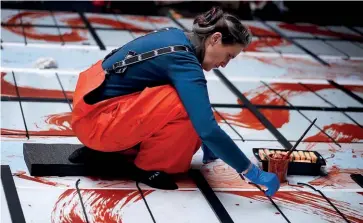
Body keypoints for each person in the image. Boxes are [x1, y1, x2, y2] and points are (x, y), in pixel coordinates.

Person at [69, 7, 280, 196]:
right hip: (98, 127)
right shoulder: (184, 63)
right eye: (228, 56)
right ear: (215, 39)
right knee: (185, 107)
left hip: (90, 114)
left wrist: (207, 141)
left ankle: (108, 151)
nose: (224, 64)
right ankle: (148, 167)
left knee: (190, 102)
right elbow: (206, 128)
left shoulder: (176, 36)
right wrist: (251, 172)